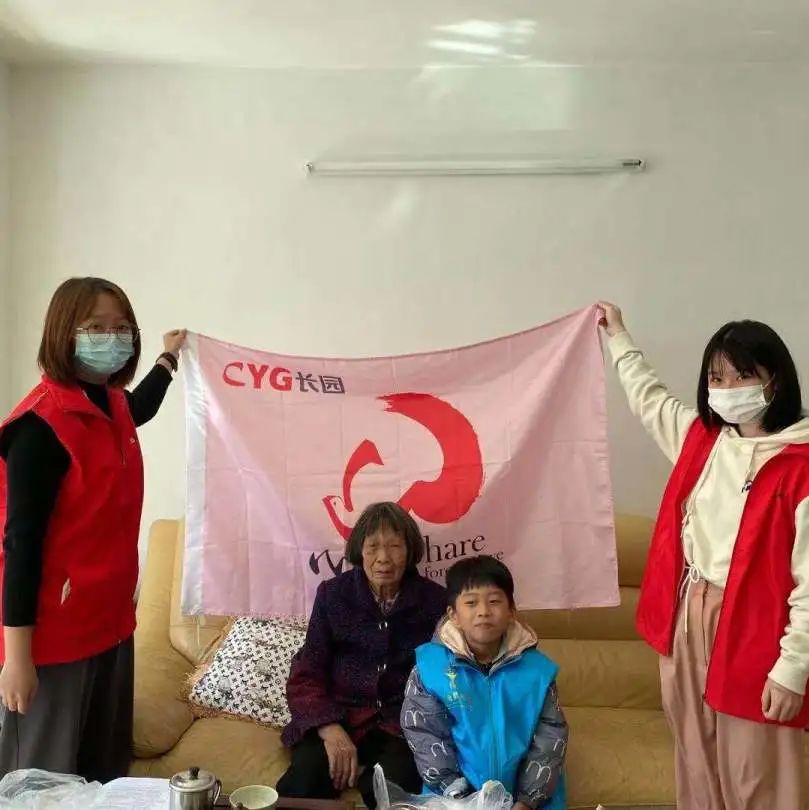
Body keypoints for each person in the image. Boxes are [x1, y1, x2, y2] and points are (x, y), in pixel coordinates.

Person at [599, 302, 809, 809]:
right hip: (689, 612)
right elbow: (648, 398)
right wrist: (619, 335)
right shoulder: (703, 440)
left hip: (758, 625)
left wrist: (793, 669)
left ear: (775, 381)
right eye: (716, 377)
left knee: (756, 766)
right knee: (695, 752)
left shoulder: (801, 466)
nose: (727, 388)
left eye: (742, 376)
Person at [0, 277, 186, 782]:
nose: (112, 338)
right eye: (97, 327)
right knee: (43, 783)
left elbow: (142, 405)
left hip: (112, 625)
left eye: (122, 328)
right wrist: (17, 658)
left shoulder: (112, 405)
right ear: (64, 332)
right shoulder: (39, 427)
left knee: (103, 775)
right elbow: (20, 546)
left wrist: (169, 359)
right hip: (55, 640)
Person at [277, 501, 447, 809]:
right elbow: (307, 673)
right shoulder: (332, 595)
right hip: (339, 715)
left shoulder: (434, 600)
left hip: (400, 725)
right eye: (373, 547)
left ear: (410, 551)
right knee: (302, 784)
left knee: (396, 793)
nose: (383, 558)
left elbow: (445, 672)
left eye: (394, 546)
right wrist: (329, 728)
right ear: (360, 550)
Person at [401, 555, 567, 810]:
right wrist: (459, 796)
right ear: (453, 614)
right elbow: (424, 734)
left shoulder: (538, 672)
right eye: (471, 602)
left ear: (511, 611)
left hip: (528, 801)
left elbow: (550, 738)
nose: (484, 612)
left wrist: (527, 801)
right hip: (453, 800)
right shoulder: (430, 669)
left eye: (494, 601)